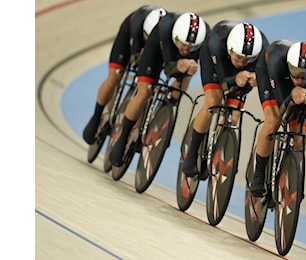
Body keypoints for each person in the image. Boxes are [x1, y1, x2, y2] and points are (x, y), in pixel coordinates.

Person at [109, 12, 211, 167]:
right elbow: (169, 67)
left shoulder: (204, 37)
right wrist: (178, 65)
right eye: (184, 44)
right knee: (144, 92)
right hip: (157, 50)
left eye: (192, 46)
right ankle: (122, 138)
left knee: (188, 73)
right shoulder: (166, 28)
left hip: (182, 59)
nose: (187, 48)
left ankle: (169, 104)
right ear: (176, 37)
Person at [181, 20, 269, 177]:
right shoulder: (217, 42)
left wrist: (255, 78)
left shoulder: (263, 50)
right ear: (231, 49)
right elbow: (223, 80)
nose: (241, 63)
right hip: (215, 61)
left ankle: (215, 147)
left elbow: (261, 79)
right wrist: (238, 77)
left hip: (242, 70)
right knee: (213, 102)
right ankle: (191, 154)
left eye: (246, 60)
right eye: (238, 58)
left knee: (234, 117)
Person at [249, 40, 306, 196]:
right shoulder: (276, 60)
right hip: (270, 75)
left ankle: (295, 182)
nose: (300, 79)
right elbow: (282, 106)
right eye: (295, 71)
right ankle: (258, 176)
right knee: (273, 120)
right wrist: (293, 95)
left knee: (300, 137)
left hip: (295, 91)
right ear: (288, 64)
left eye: (305, 74)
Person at [82, 6, 167, 145]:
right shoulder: (137, 25)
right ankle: (96, 117)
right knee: (114, 77)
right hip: (129, 36)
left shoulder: (163, 32)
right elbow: (136, 52)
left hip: (154, 45)